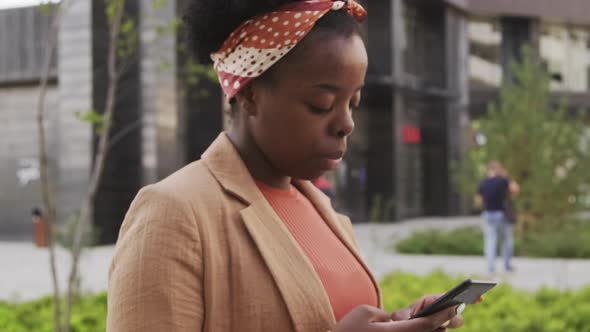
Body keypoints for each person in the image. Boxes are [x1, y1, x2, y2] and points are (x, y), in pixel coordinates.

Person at [107, 1, 469, 331]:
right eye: (321, 104)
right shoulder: (174, 213)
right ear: (250, 94)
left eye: (352, 102)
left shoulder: (323, 211)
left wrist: (400, 322)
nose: (347, 124)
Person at [478, 160, 519, 274]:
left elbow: (480, 199)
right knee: (506, 240)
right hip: (502, 214)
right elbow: (515, 189)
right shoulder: (503, 180)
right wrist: (506, 176)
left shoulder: (484, 182)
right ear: (498, 169)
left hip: (487, 214)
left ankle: (490, 269)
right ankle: (507, 267)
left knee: (490, 241)